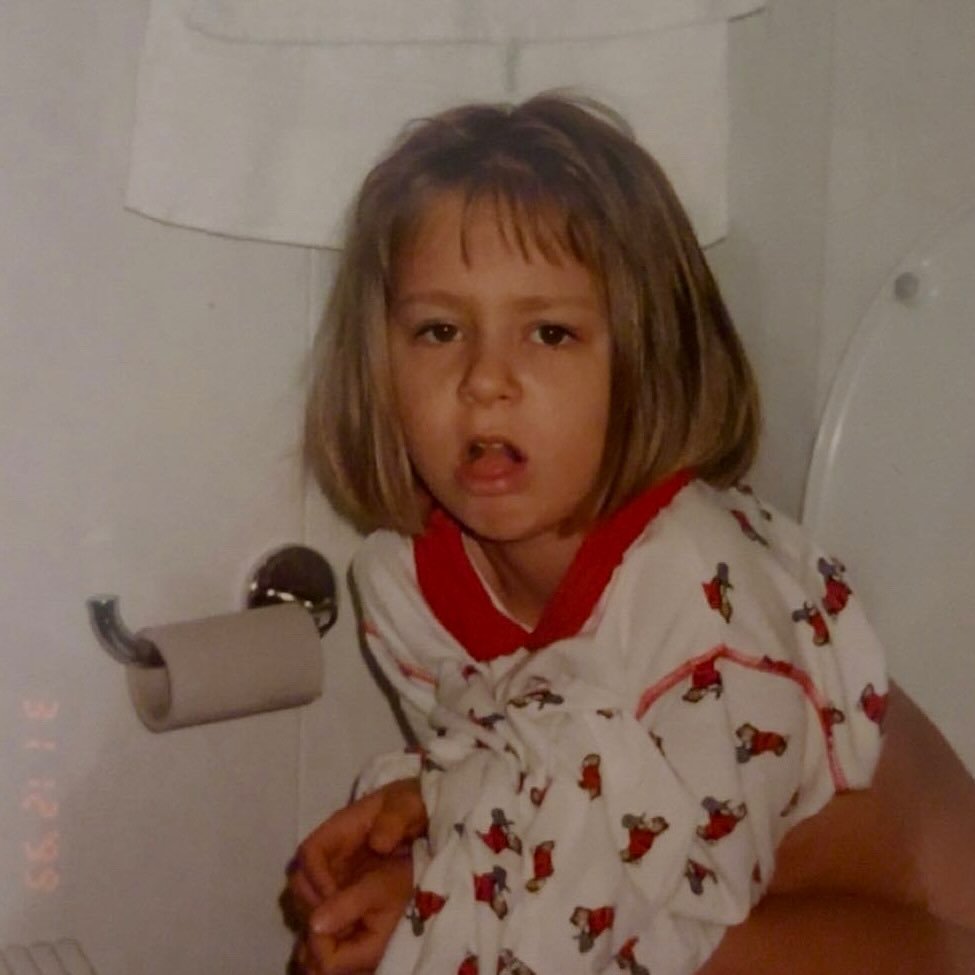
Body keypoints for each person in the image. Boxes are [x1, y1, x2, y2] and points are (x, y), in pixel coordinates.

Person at [285, 92, 975, 974]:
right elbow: (556, 787)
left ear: (648, 360)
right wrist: (423, 814)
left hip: (918, 932)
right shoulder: (402, 583)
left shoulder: (694, 589)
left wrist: (434, 909)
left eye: (549, 332)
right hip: (732, 912)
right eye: (439, 329)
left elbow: (646, 917)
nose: (485, 379)